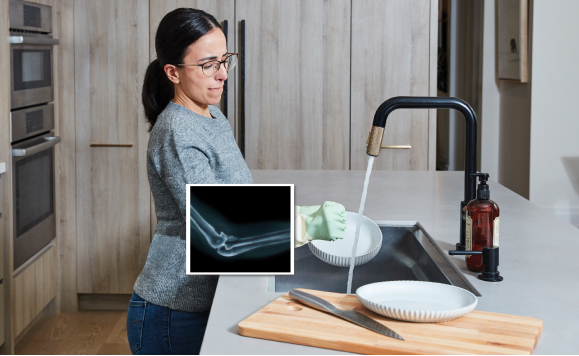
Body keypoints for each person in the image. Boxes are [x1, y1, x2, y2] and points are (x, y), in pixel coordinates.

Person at [126, 8, 250, 355]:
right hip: (173, 311)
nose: (223, 74)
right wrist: (298, 226)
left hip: (200, 302)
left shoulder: (211, 115)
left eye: (225, 60)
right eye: (209, 64)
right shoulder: (177, 131)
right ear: (173, 73)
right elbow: (216, 225)